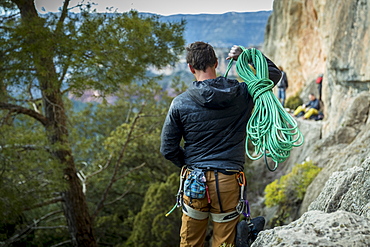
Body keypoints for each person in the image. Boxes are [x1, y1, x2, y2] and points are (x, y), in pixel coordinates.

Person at [160, 42, 281, 247]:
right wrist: (247, 56)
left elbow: (168, 149)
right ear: (216, 63)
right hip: (228, 181)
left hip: (194, 182)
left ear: (190, 68)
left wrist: (191, 164)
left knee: (190, 242)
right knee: (225, 242)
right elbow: (273, 75)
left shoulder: (180, 103)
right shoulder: (243, 93)